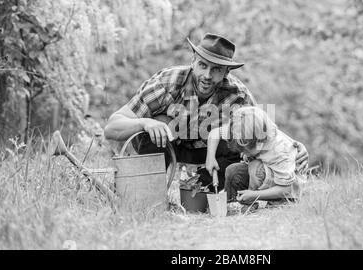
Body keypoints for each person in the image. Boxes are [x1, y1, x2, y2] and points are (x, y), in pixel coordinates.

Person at [104, 33, 308, 190]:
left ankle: (209, 187)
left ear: (227, 72)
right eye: (203, 65)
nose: (207, 75)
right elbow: (112, 127)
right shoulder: (167, 83)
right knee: (158, 124)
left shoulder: (237, 95)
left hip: (209, 155)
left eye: (216, 69)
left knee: (240, 134)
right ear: (193, 61)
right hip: (166, 147)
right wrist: (144, 123)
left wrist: (293, 147)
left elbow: (262, 131)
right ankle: (149, 190)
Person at [205, 106, 308, 208]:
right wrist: (210, 158)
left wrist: (254, 195)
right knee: (233, 171)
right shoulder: (241, 129)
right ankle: (232, 203)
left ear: (259, 141)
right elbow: (215, 133)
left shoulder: (279, 150)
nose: (244, 153)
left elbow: (287, 188)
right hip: (268, 175)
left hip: (286, 188)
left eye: (246, 150)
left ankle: (279, 201)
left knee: (255, 166)